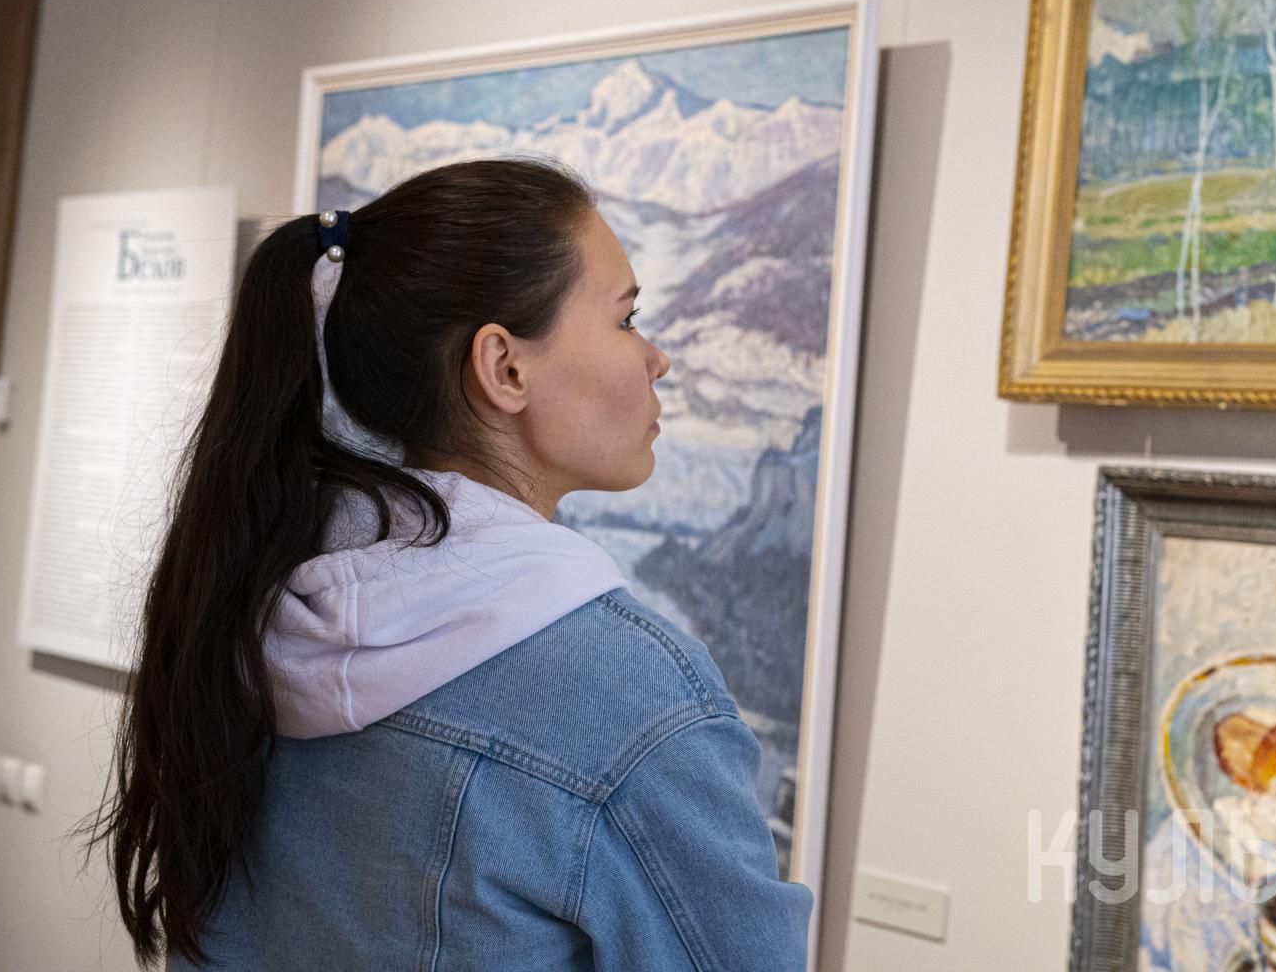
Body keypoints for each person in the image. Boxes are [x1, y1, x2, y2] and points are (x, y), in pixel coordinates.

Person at [79, 159, 814, 970]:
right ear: (504, 368)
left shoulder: (251, 614)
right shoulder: (635, 698)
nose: (656, 358)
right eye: (626, 318)